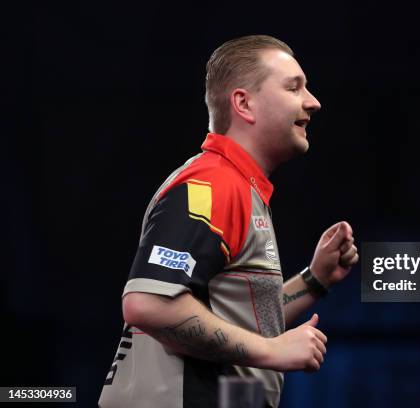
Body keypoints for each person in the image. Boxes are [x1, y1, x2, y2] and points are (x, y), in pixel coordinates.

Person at [98, 34, 359, 408]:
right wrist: (272, 351)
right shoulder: (213, 184)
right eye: (293, 87)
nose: (313, 102)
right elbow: (149, 303)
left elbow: (236, 322)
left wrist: (314, 280)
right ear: (244, 103)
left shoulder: (240, 188)